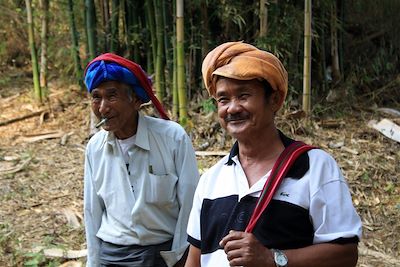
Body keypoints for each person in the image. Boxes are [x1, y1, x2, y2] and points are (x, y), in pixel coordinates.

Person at [185, 42, 362, 267]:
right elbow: (195, 260)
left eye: (243, 95)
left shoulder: (315, 168)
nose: (232, 108)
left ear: (275, 100)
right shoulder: (211, 179)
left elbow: (346, 254)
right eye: (223, 99)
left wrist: (272, 258)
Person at [83, 53, 199, 267]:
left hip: (161, 254)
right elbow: (92, 210)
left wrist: (180, 256)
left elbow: (190, 203)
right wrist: (94, 262)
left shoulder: (172, 137)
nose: (102, 108)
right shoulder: (95, 148)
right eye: (96, 97)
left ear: (135, 99)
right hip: (112, 255)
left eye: (112, 95)